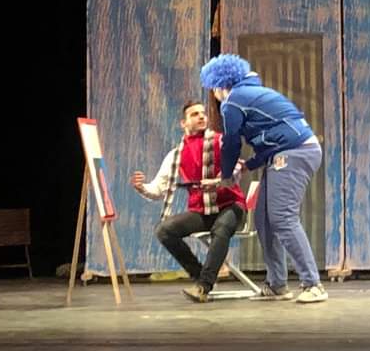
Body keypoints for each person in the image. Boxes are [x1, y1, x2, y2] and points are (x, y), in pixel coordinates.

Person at [200, 53, 328, 304]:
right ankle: (277, 284)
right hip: (288, 151)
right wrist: (248, 165)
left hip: (295, 153)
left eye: (213, 89)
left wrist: (226, 176)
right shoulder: (252, 94)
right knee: (265, 220)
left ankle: (313, 284)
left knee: (282, 217)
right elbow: (273, 139)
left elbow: (231, 143)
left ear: (219, 85)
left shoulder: (233, 101)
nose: (213, 94)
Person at [130, 101, 246, 303]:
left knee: (221, 227)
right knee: (164, 230)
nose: (201, 116)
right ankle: (200, 275)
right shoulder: (176, 155)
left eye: (203, 113)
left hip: (231, 207)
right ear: (183, 123)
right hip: (203, 212)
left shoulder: (220, 141)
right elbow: (158, 189)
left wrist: (218, 182)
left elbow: (236, 167)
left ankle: (203, 286)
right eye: (194, 114)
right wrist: (142, 187)